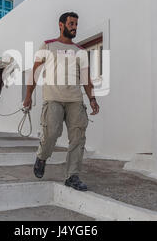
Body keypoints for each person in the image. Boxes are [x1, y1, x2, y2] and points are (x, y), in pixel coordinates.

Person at [23, 12, 100, 191]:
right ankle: (42, 157)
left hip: (75, 100)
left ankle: (72, 176)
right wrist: (28, 96)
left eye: (76, 24)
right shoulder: (48, 45)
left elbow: (86, 78)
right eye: (71, 23)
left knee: (78, 138)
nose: (74, 27)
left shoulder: (80, 51)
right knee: (51, 133)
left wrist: (92, 98)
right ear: (61, 24)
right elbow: (35, 73)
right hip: (53, 99)